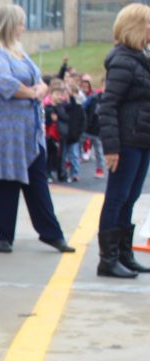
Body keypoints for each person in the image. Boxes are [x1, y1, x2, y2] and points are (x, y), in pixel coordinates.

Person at [0, 4, 75, 255]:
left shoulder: (17, 51)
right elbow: (4, 83)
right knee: (7, 182)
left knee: (37, 182)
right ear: (9, 24)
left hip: (29, 132)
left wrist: (38, 90)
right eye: (20, 22)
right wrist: (33, 93)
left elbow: (40, 81)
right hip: (5, 133)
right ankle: (4, 236)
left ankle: (52, 234)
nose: (24, 27)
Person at [96, 2, 150, 278]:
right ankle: (108, 258)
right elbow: (108, 106)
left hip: (141, 140)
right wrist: (112, 148)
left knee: (129, 198)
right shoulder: (123, 61)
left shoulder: (139, 58)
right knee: (117, 198)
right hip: (126, 142)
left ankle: (124, 254)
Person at [79, 74, 106, 179]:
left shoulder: (111, 99)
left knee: (99, 151)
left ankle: (99, 169)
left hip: (99, 130)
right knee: (77, 144)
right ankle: (73, 164)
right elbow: (83, 108)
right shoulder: (94, 97)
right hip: (87, 127)